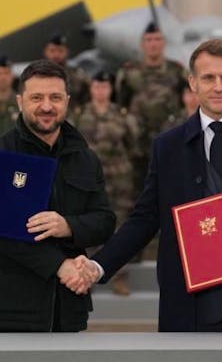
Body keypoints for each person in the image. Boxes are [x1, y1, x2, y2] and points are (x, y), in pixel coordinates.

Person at [79, 38, 222, 331]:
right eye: (208, 78)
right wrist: (99, 265)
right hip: (191, 304)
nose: (218, 86)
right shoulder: (167, 147)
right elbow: (145, 219)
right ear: (193, 83)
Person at [0, 60, 115, 332]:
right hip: (4, 314)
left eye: (55, 97)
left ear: (67, 101)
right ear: (20, 101)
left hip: (66, 312)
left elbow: (104, 221)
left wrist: (68, 225)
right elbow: (0, 232)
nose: (47, 106)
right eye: (37, 98)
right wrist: (60, 266)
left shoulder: (84, 158)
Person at [69, 70, 141, 296]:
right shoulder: (79, 116)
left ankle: (119, 277)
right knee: (88, 227)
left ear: (110, 90)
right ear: (91, 89)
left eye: (105, 87)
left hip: (119, 182)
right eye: (97, 87)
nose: (100, 91)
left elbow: (134, 146)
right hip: (88, 181)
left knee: (120, 229)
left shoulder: (122, 116)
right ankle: (85, 275)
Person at [115, 22, 187, 197]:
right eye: (148, 40)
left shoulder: (177, 71)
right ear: (142, 44)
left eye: (157, 39)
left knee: (172, 192)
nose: (153, 44)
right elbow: (120, 104)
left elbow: (187, 101)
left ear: (163, 43)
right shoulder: (129, 72)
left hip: (169, 142)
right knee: (140, 195)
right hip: (137, 146)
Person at [43, 32, 91, 106]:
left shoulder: (78, 75)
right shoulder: (36, 75)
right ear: (45, 52)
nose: (56, 55)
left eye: (60, 51)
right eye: (52, 51)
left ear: (67, 52)